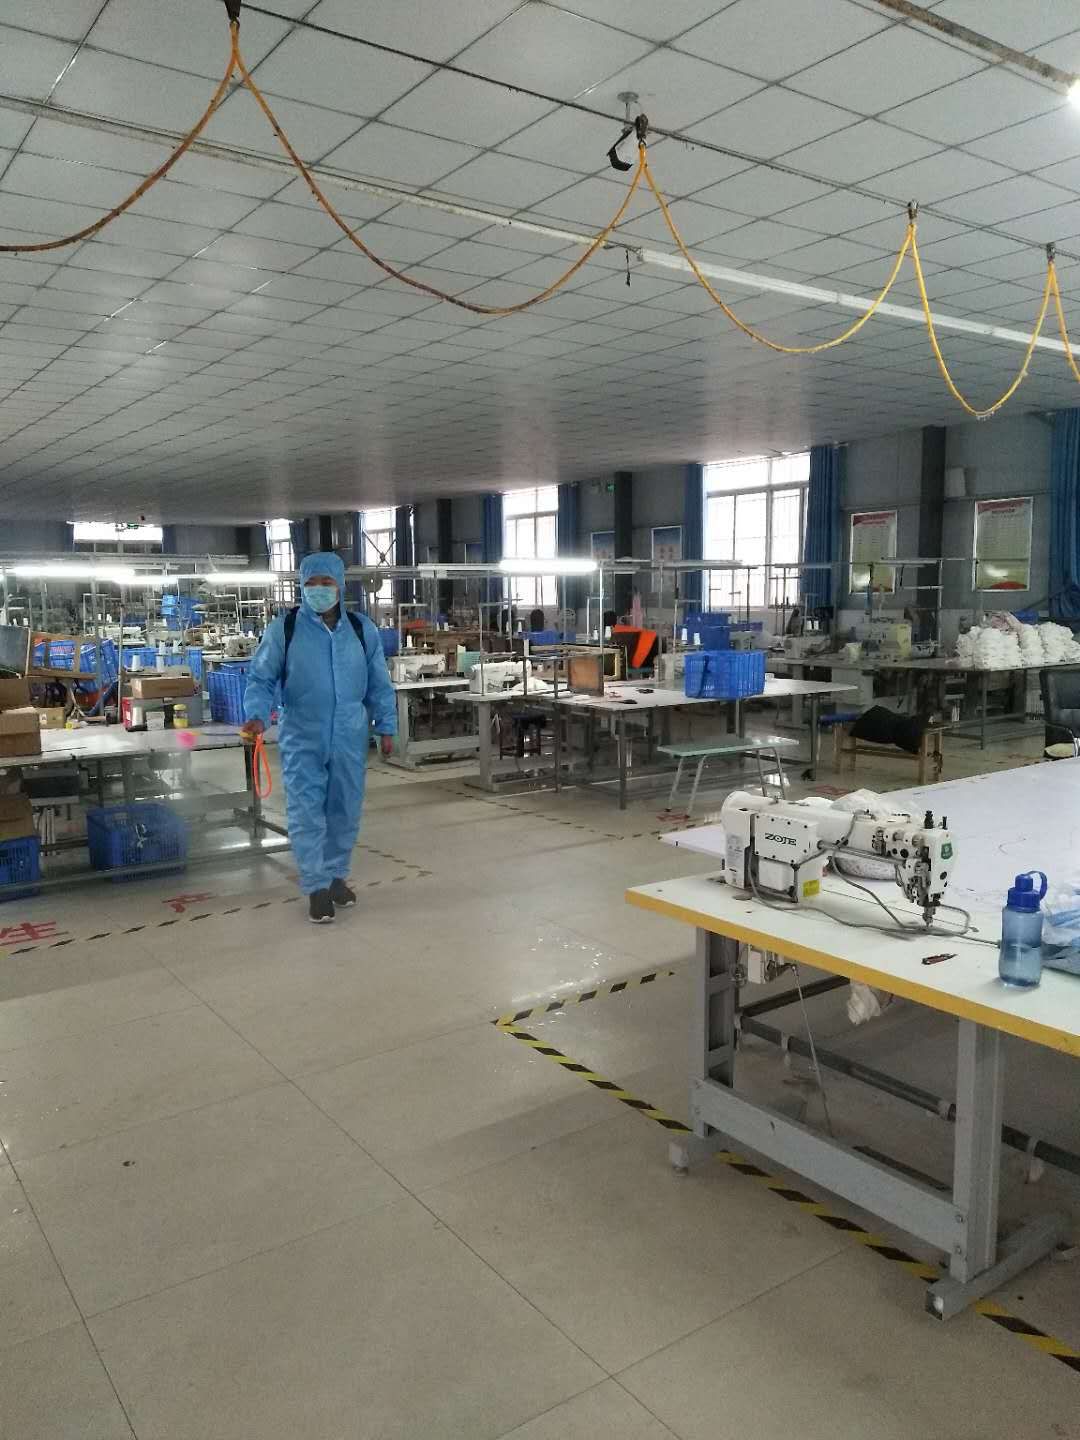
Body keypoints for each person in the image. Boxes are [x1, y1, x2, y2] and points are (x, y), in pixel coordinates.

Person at [240, 551, 396, 924]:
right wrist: (257, 715)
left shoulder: (361, 630)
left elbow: (379, 681)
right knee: (306, 810)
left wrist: (386, 725)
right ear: (301, 586)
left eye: (326, 583)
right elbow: (261, 677)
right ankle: (316, 887)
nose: (319, 590)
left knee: (344, 807)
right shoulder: (285, 629)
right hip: (302, 732)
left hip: (349, 733)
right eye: (311, 583)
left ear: (340, 586)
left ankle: (336, 876)